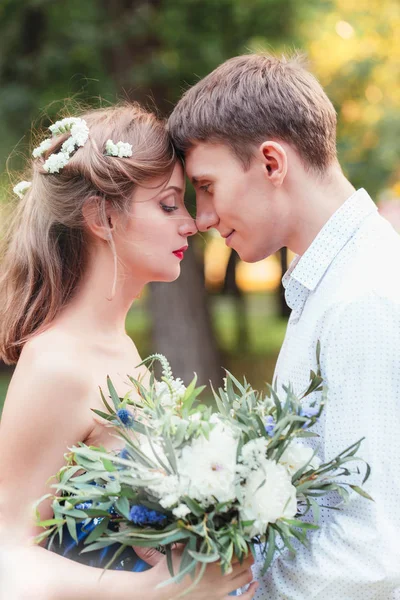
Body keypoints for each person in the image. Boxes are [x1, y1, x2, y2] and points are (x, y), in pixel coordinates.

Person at [0, 103, 257, 600]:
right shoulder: (56, 363)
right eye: (167, 204)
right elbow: (6, 556)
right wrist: (160, 589)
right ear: (101, 216)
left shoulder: (121, 348)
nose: (192, 223)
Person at [168, 53, 400, 599]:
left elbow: (371, 558)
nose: (200, 218)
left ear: (272, 162)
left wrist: (227, 590)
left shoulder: (362, 297)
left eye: (206, 185)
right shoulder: (336, 283)